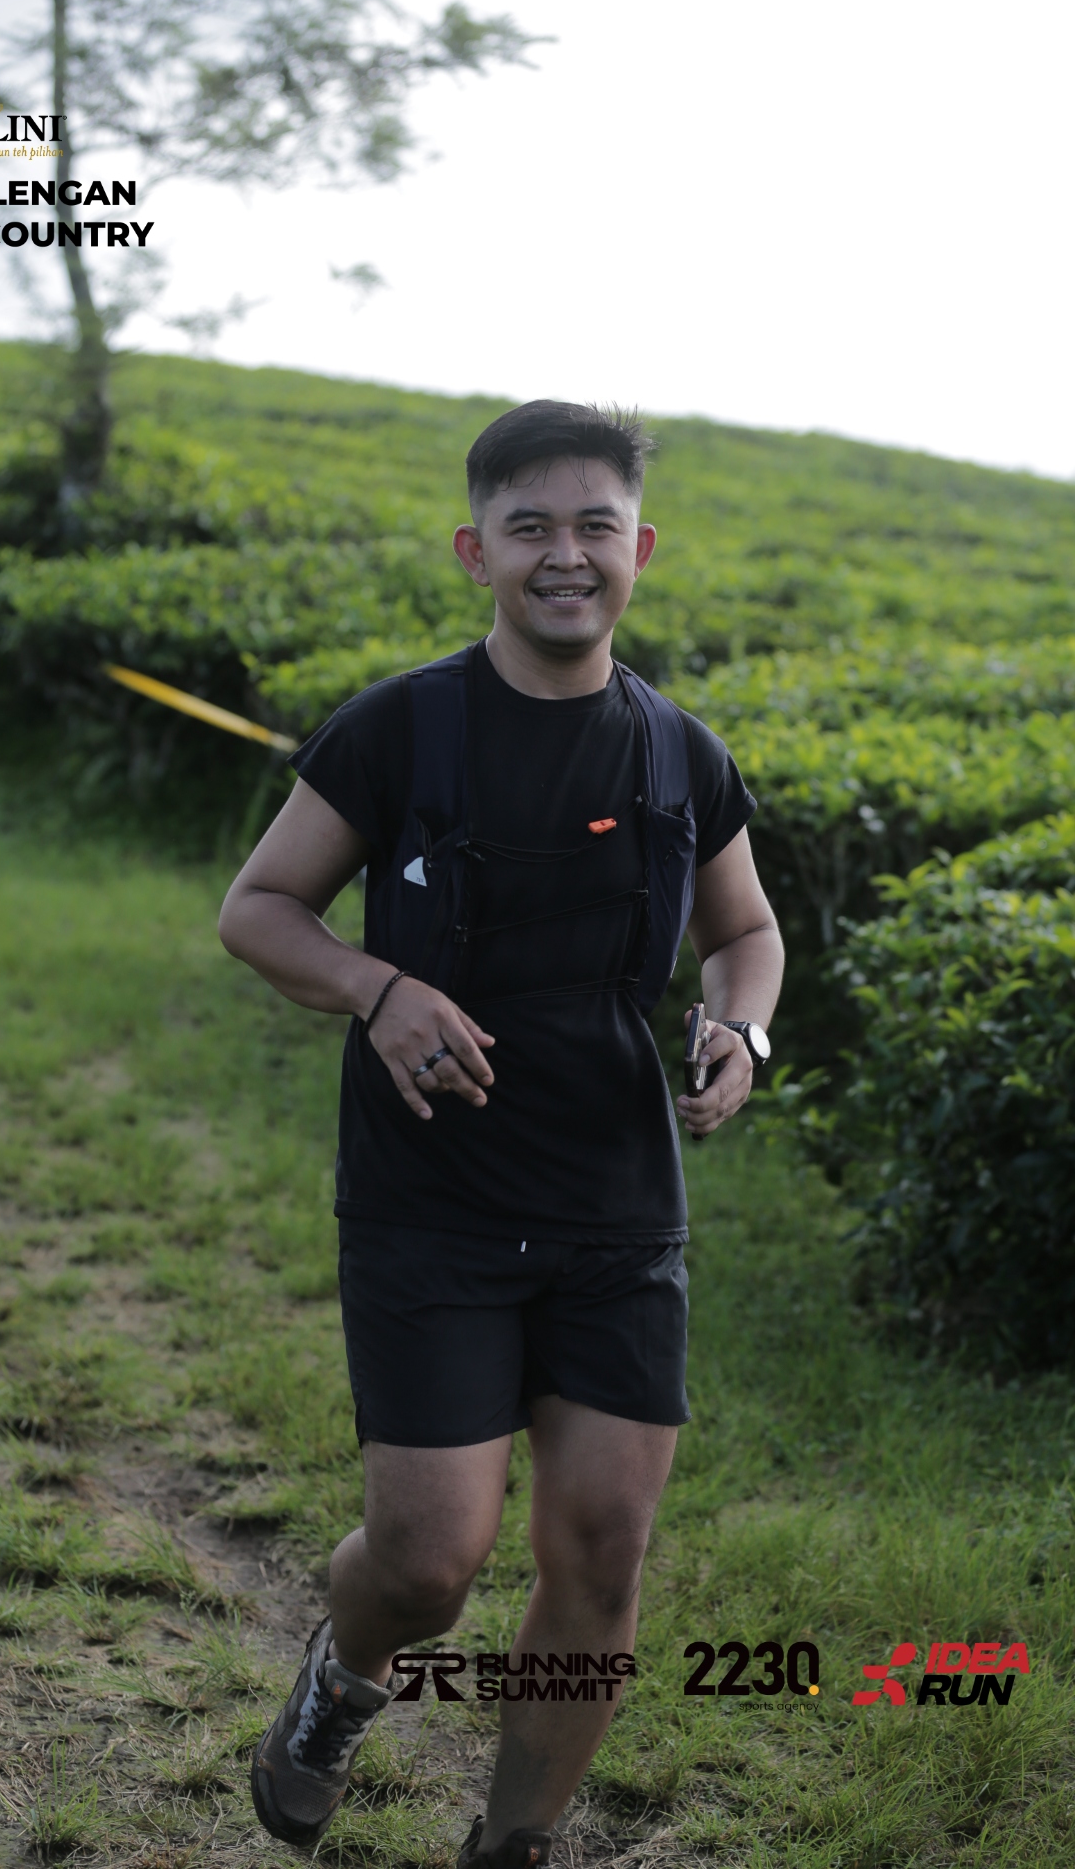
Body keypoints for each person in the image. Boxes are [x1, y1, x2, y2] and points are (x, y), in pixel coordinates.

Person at [217, 399, 783, 1867]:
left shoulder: (681, 754)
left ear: (643, 548)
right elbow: (258, 910)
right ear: (477, 551)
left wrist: (741, 1029)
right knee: (428, 1562)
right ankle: (341, 1682)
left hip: (615, 1207)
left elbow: (747, 934)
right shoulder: (400, 729)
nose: (566, 555)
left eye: (597, 525)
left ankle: (514, 1845)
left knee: (601, 1548)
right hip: (432, 1198)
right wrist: (378, 987)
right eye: (530, 527)